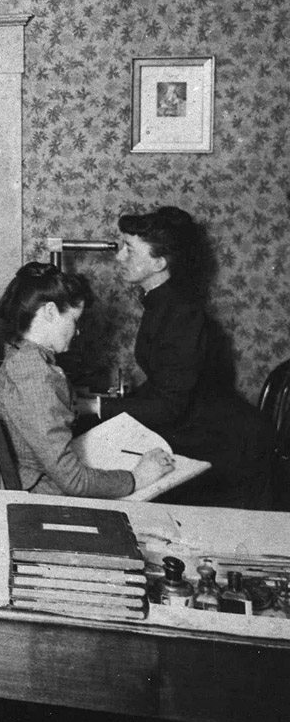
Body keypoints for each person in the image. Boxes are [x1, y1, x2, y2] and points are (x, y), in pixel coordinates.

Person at [90, 206, 275, 508]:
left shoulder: (181, 314)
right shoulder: (161, 302)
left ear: (159, 262)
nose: (119, 256)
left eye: (130, 249)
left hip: (228, 443)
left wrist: (95, 405)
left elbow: (169, 405)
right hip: (199, 426)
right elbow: (164, 383)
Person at [0, 262, 173, 498]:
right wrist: (137, 478)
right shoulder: (35, 376)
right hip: (43, 494)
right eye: (75, 320)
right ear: (49, 312)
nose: (77, 332)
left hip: (34, 479)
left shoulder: (19, 354)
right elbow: (74, 481)